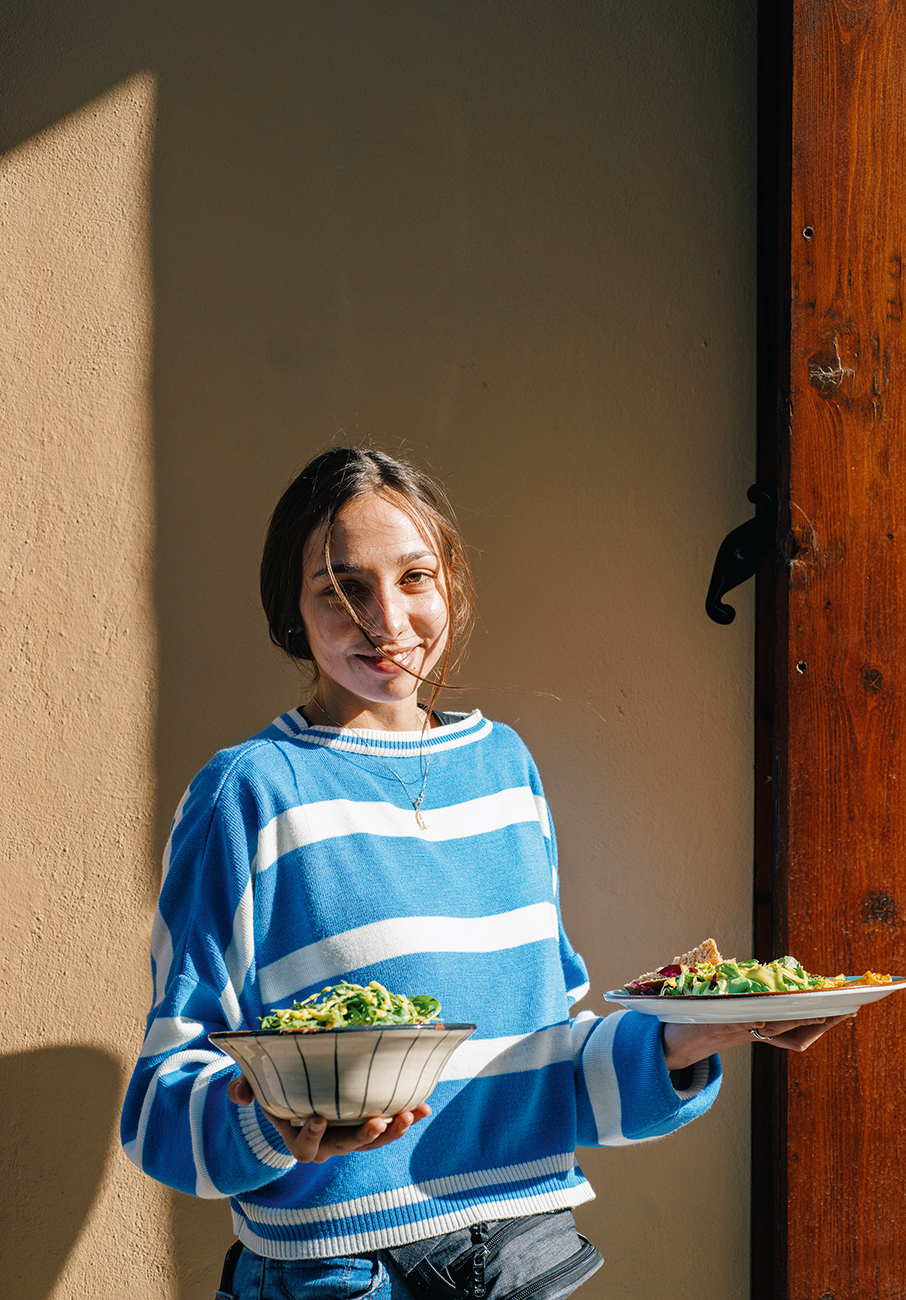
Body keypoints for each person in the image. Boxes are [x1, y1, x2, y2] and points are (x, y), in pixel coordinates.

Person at [121, 447, 850, 1300]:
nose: (383, 619)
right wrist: (271, 1121)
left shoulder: (505, 768)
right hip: (341, 1277)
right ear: (294, 606)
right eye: (341, 589)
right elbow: (158, 1107)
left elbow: (543, 1066)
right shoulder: (248, 793)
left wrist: (693, 1038)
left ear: (451, 585)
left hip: (522, 1259)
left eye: (413, 577)